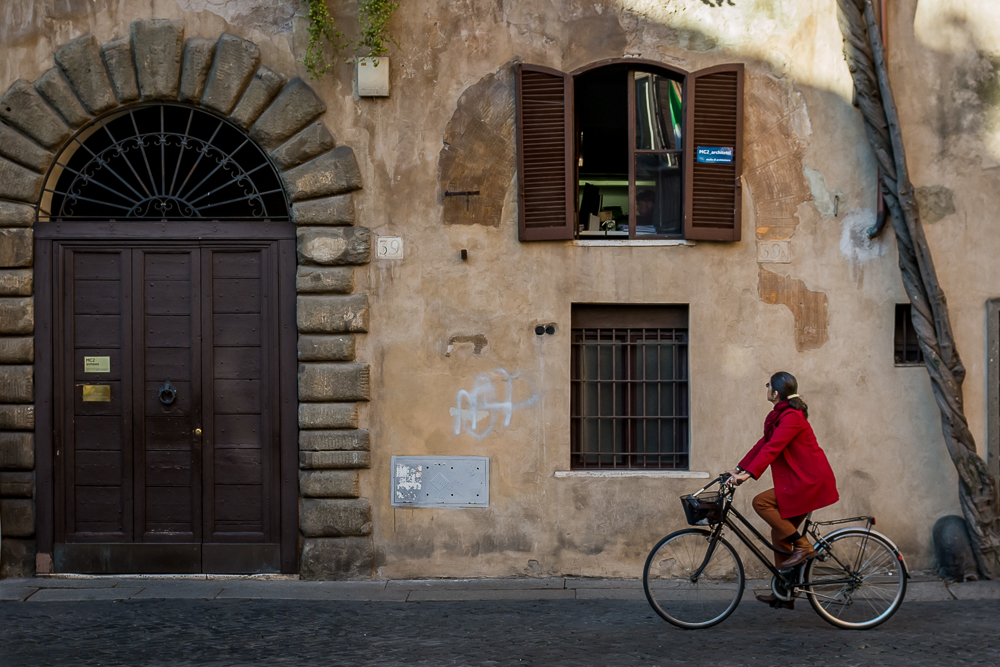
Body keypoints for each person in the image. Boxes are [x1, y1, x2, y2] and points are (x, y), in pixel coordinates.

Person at [727, 371, 839, 609]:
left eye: (768, 385)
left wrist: (747, 476)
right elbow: (763, 443)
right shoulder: (780, 416)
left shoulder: (792, 417)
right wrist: (739, 468)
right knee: (780, 534)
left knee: (761, 502)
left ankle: (804, 547)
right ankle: (784, 590)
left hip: (809, 481)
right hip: (800, 480)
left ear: (775, 393)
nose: (766, 387)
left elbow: (773, 449)